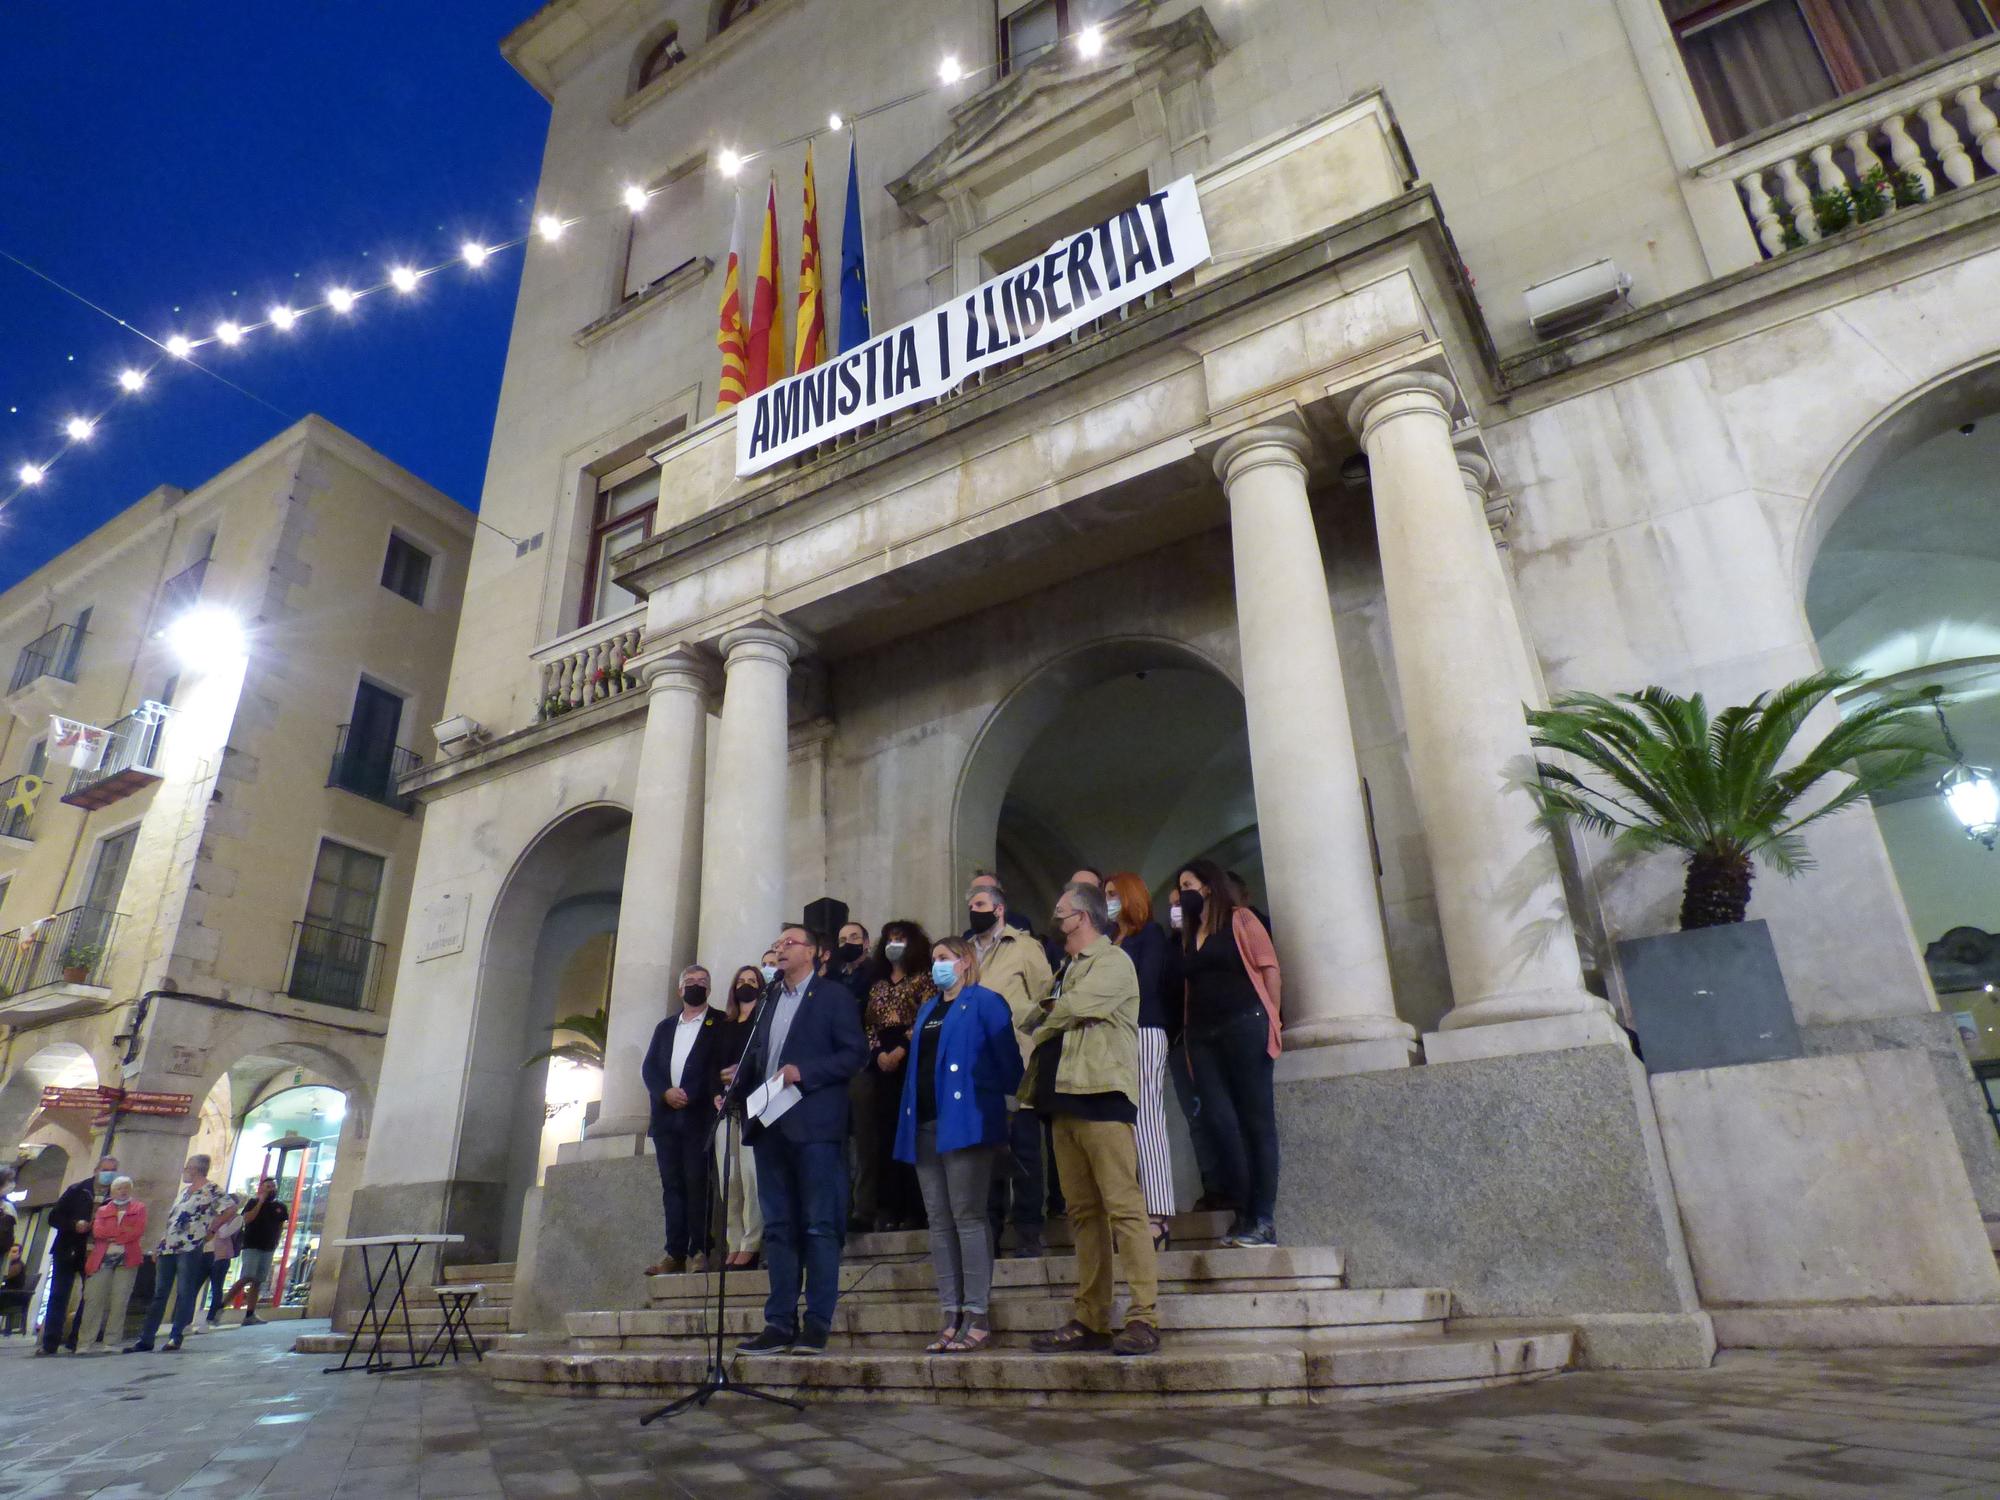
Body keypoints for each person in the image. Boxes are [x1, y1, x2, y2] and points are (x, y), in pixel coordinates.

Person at [1024, 882, 1160, 1357]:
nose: (1054, 919)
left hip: (1101, 1095)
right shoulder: (1066, 968)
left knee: (1123, 1208)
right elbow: (1042, 1010)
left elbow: (1072, 1009)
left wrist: (1044, 1015)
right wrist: (1041, 1013)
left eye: (1059, 912)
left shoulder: (1114, 961)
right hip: (1063, 1099)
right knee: (1083, 1215)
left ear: (1080, 917)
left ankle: (1143, 1316)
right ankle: (1091, 1317)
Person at [725, 923, 865, 1354]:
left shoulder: (833, 997)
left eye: (790, 943)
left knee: (820, 1226)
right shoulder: (767, 1001)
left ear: (814, 952)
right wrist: (737, 1081)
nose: (781, 950)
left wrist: (808, 1071)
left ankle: (817, 1323)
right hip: (770, 1125)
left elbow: (854, 1054)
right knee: (780, 1229)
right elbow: (762, 1056)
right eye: (777, 943)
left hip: (816, 1126)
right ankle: (778, 1322)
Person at [895, 936, 1022, 1353]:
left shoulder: (985, 1002)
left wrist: (1005, 1110)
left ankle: (977, 1313)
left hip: (966, 1122)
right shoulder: (929, 1008)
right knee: (939, 1220)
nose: (937, 966)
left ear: (965, 963)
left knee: (968, 1216)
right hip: (926, 1124)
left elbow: (1008, 1061)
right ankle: (950, 1313)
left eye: (944, 959)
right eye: (934, 959)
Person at [1174, 859, 1283, 1248]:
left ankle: (1262, 1218)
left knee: (1256, 1120)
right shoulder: (1189, 934)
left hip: (1244, 1023)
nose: (1182, 892)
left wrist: (1273, 1020)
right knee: (1220, 1121)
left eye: (1188, 884)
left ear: (1207, 886)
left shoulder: (1240, 919)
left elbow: (1268, 967)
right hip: (1203, 1035)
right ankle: (1242, 1211)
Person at [967, 878, 1054, 1257]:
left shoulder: (1025, 947)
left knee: (1024, 1147)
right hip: (976, 1066)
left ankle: (1029, 1228)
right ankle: (990, 1229)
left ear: (999, 909)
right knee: (986, 1150)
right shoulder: (965, 951)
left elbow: (1047, 999)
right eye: (971, 903)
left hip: (1018, 1059)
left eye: (981, 903)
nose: (974, 908)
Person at [1106, 872, 1177, 1247]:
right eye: (1106, 895)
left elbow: (1146, 981)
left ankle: (1158, 1212)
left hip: (1144, 1028)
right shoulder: (1110, 939)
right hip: (1115, 1037)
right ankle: (1132, 1213)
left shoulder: (1149, 935)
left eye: (1115, 894)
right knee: (1123, 1126)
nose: (1110, 901)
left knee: (1147, 1117)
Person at [642, 965, 722, 1276]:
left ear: (710, 989)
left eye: (702, 982)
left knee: (697, 1183)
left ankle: (700, 1249)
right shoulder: (664, 1027)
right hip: (666, 1119)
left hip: (698, 1116)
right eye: (690, 982)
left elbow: (715, 1067)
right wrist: (664, 1093)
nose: (696, 986)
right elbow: (650, 1068)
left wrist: (690, 1093)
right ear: (680, 990)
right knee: (672, 1186)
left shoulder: (718, 1024)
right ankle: (673, 1251)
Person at [860, 920, 934, 1232]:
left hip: (912, 1056)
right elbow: (869, 1024)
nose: (894, 944)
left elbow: (926, 1016)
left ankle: (916, 1208)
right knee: (884, 1133)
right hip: (881, 1062)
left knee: (912, 1132)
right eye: (889, 938)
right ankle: (888, 1207)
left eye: (900, 939)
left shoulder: (923, 979)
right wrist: (878, 1053)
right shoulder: (877, 984)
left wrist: (902, 1048)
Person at [129, 1153, 224, 1352]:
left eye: (186, 1168)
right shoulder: (184, 1192)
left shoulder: (212, 1189)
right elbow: (173, 1220)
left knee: (184, 1291)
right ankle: (146, 1338)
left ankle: (176, 1336)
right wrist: (160, 1244)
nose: (184, 1172)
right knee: (159, 1293)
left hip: (189, 1246)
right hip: (169, 1246)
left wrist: (212, 1230)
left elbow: (230, 1208)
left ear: (195, 1169)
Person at [710, 966, 767, 1269]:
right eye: (741, 981)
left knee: (750, 1175)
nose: (746, 985)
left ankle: (752, 1242)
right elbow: (711, 1064)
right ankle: (733, 1241)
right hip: (725, 1107)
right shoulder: (724, 1024)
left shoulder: (762, 1022)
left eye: (752, 981)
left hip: (752, 1104)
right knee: (728, 1178)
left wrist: (741, 1076)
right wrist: (715, 1092)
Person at [38, 1154, 114, 1356]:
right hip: (68, 1248)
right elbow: (54, 1217)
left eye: (113, 1170)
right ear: (96, 1170)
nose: (109, 1174)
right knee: (58, 1295)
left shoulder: (115, 1196)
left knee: (89, 1297)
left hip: (95, 1252)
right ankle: (50, 1342)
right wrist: (74, 1224)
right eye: (105, 1169)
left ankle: (75, 1341)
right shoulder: (77, 1190)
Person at [81, 1174, 146, 1347]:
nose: (123, 1191)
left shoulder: (139, 1208)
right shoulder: (103, 1210)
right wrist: (121, 1234)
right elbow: (98, 1232)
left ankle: (111, 1341)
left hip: (128, 1259)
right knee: (94, 1300)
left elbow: (137, 1231)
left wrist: (113, 1235)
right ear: (113, 1191)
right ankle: (85, 1342)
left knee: (120, 1300)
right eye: (119, 1188)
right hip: (102, 1258)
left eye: (126, 1188)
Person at [227, 1176, 288, 1324]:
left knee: (257, 1281)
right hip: (252, 1245)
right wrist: (260, 1202)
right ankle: (222, 1304)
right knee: (247, 1276)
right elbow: (247, 1219)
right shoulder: (253, 1203)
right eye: (267, 1186)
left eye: (273, 1187)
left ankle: (250, 1314)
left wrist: (276, 1242)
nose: (271, 1189)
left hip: (268, 1248)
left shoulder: (280, 1207)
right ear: (261, 1189)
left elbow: (280, 1225)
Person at [199, 1194, 244, 1331]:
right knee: (194, 1286)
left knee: (216, 1288)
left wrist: (222, 1220)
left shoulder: (237, 1219)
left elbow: (224, 1233)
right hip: (206, 1253)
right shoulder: (215, 1216)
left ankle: (210, 1319)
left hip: (221, 1257)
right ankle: (186, 1321)